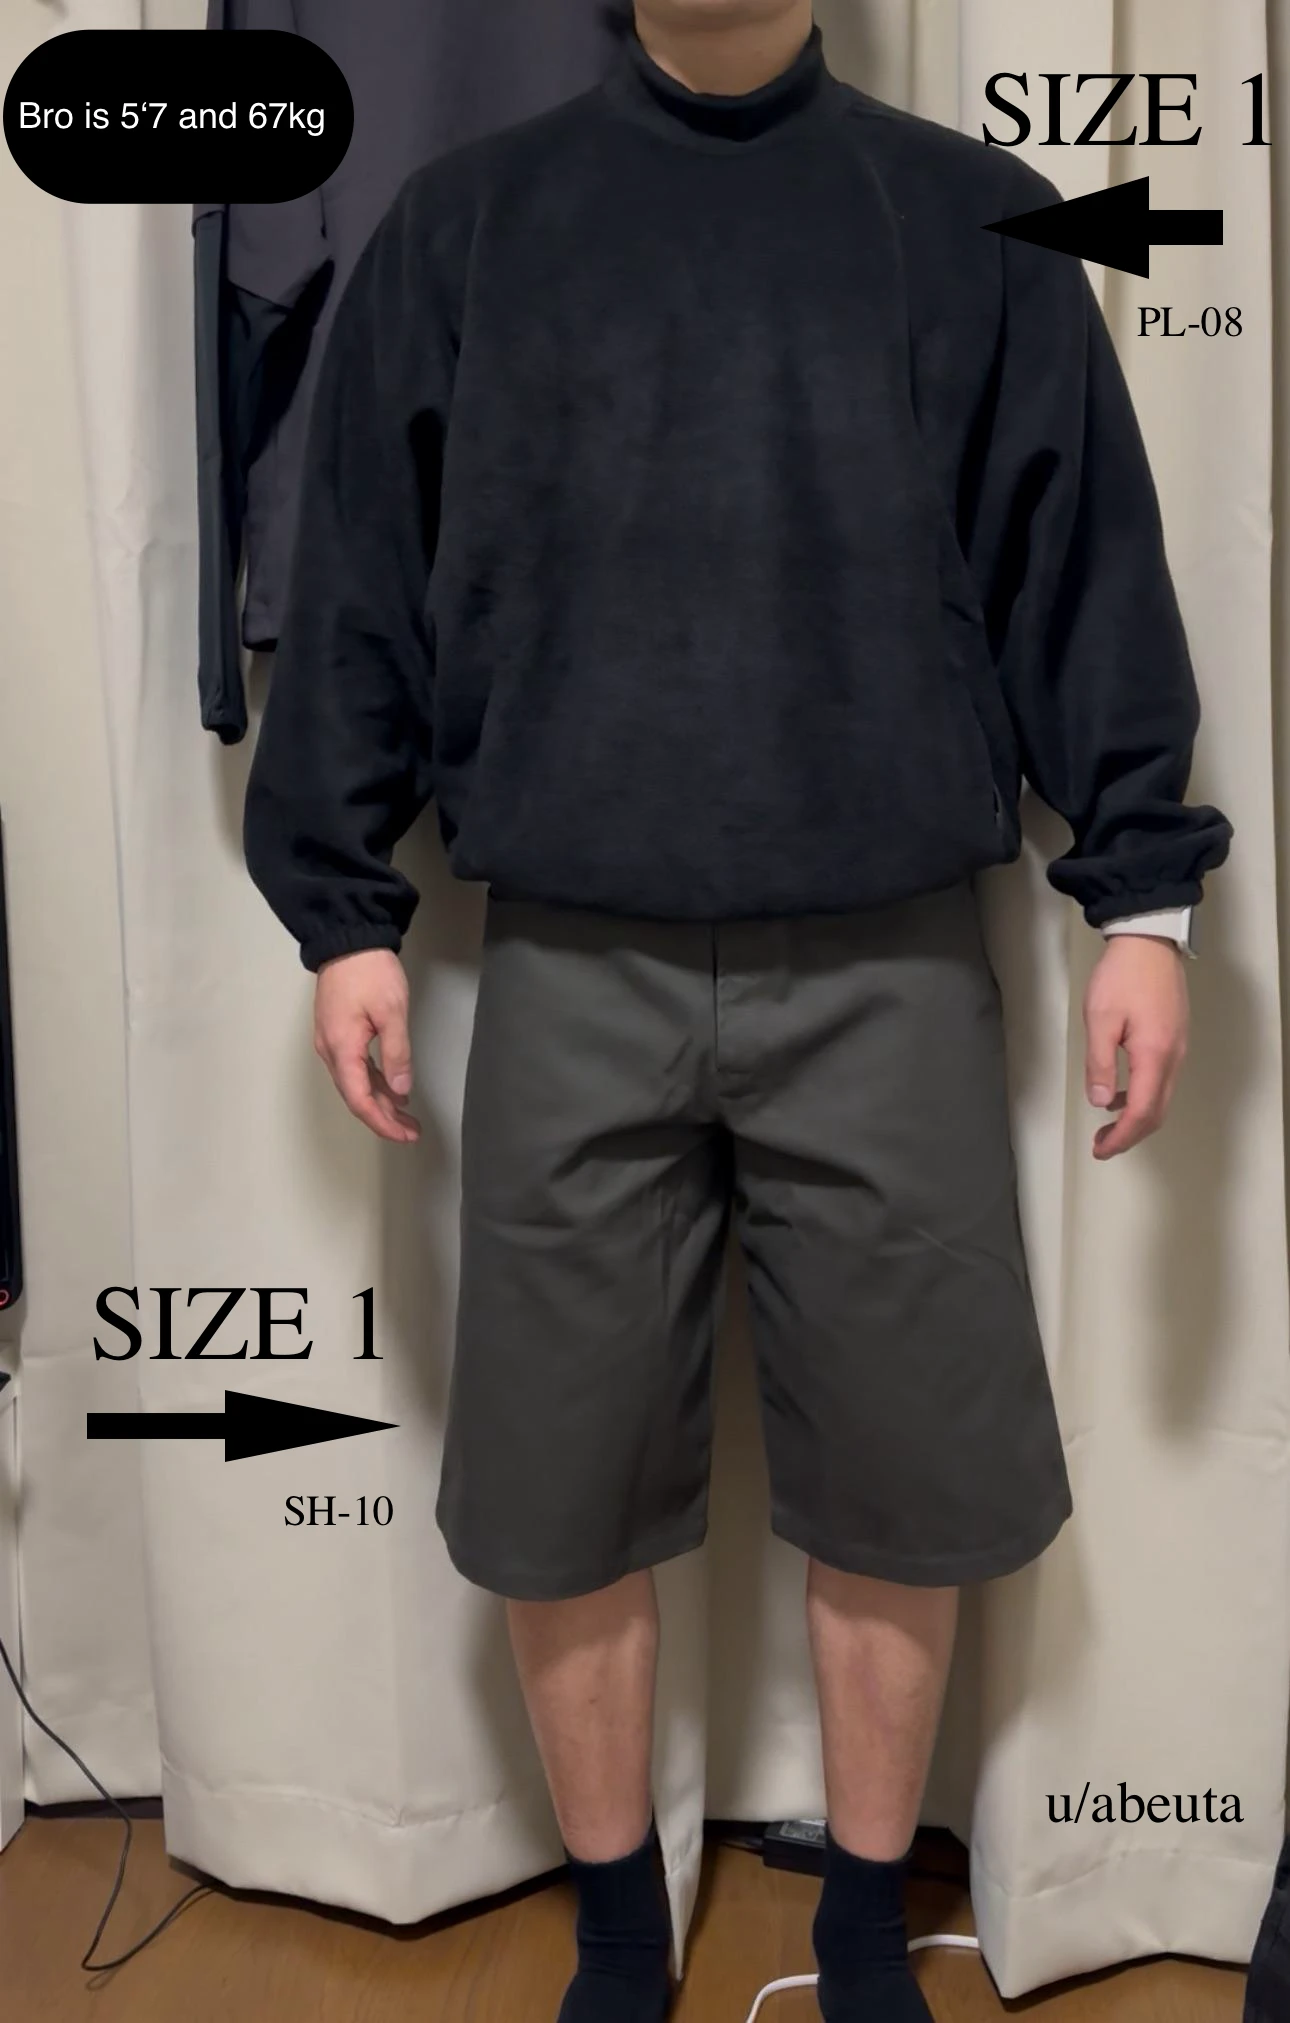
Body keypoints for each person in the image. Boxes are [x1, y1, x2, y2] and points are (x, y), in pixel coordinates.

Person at [241, 3, 1232, 2018]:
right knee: (553, 1494)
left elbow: (1083, 566)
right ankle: (622, 1928)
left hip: (888, 958)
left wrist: (1144, 896)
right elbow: (358, 575)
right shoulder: (467, 225)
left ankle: (861, 1921)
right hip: (568, 953)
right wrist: (341, 909)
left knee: (909, 1481)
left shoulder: (973, 221)